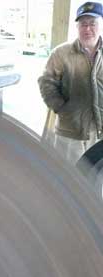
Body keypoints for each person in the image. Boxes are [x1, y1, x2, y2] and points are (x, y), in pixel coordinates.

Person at [39, 2, 103, 164]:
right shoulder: (62, 53)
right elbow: (46, 82)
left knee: (95, 179)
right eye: (83, 24)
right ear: (77, 27)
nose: (87, 29)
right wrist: (62, 108)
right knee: (67, 179)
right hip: (69, 132)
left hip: (99, 131)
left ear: (100, 25)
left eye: (92, 24)